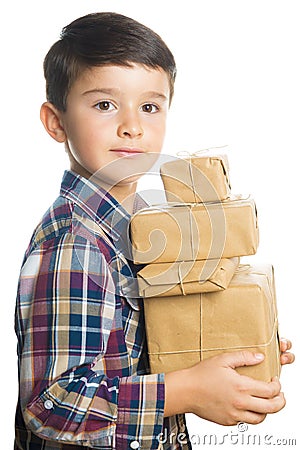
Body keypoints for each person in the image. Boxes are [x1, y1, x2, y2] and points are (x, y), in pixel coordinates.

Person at [14, 12, 295, 450]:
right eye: (104, 104)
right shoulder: (76, 242)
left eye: (150, 106)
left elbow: (145, 350)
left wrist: (230, 349)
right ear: (56, 122)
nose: (133, 125)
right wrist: (186, 391)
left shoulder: (143, 226)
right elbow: (52, 404)